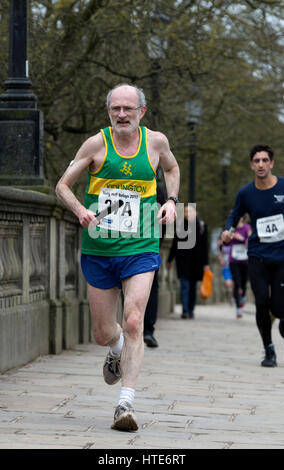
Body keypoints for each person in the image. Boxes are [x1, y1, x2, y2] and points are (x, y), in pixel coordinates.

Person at [55, 83, 180, 431]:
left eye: (128, 109)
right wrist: (80, 210)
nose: (121, 115)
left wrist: (171, 201)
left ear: (142, 111)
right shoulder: (97, 144)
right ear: (109, 112)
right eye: (115, 109)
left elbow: (171, 168)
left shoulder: (156, 142)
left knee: (135, 318)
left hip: (141, 245)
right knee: (101, 332)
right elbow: (62, 185)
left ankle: (125, 403)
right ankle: (115, 348)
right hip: (99, 247)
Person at [222, 144, 284, 367]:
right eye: (256, 161)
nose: (260, 164)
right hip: (257, 255)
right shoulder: (246, 193)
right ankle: (269, 350)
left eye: (264, 160)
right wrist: (228, 231)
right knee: (260, 303)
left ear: (271, 163)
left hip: (282, 257)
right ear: (251, 165)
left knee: (277, 307)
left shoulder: (283, 186)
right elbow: (234, 216)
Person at [167, 204, 209, 319]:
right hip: (183, 261)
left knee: (193, 287)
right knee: (184, 285)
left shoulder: (202, 226)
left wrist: (206, 264)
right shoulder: (180, 225)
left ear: (196, 213)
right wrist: (170, 260)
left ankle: (191, 309)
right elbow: (174, 244)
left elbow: (205, 247)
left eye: (190, 211)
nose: (187, 214)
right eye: (185, 212)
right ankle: (185, 310)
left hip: (197, 262)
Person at [143, 178, 167, 348]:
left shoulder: (157, 187)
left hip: (148, 244)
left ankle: (148, 330)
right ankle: (142, 329)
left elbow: (163, 219)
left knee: (151, 286)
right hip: (122, 243)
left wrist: (157, 243)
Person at [228, 216, 252, 318]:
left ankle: (243, 297)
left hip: (245, 259)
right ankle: (238, 308)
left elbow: (250, 241)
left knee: (243, 282)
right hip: (233, 259)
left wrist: (241, 238)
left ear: (243, 217)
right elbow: (225, 241)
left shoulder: (247, 228)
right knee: (236, 282)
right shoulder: (232, 228)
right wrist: (229, 237)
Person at [218, 236, 233, 303]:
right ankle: (229, 293)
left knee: (233, 283)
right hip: (226, 267)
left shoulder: (233, 243)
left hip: (233, 266)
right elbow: (220, 253)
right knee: (228, 283)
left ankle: (232, 296)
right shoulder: (222, 244)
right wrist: (221, 260)